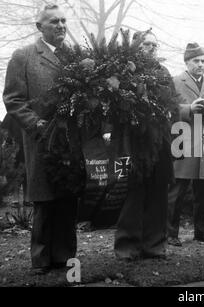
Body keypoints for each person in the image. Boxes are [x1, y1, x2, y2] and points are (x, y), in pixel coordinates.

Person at [3, 4, 78, 275]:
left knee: (69, 199)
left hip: (71, 140)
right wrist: (37, 124)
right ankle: (41, 259)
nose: (60, 25)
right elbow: (13, 99)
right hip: (40, 140)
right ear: (39, 27)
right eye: (53, 21)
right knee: (44, 200)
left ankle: (66, 258)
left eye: (63, 20)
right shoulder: (24, 56)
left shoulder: (75, 56)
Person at [114, 30, 176, 261]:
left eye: (154, 45)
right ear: (135, 47)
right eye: (146, 44)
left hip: (159, 143)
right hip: (132, 143)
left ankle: (155, 245)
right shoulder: (124, 71)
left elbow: (174, 104)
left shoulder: (163, 72)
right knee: (132, 195)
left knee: (158, 195)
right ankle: (127, 246)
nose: (151, 48)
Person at [167, 43, 204, 247]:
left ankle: (202, 232)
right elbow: (169, 109)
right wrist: (188, 109)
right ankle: (170, 233)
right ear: (186, 62)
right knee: (177, 191)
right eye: (196, 61)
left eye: (203, 61)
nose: (201, 64)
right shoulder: (175, 82)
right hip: (183, 140)